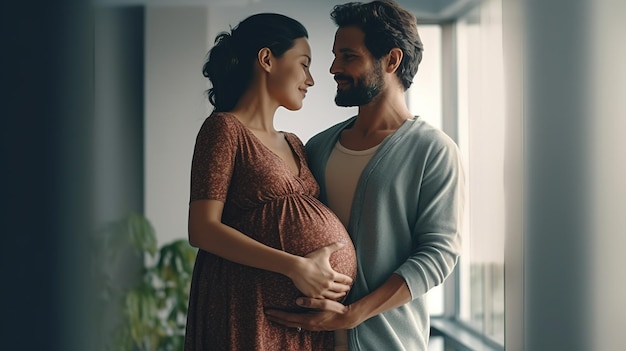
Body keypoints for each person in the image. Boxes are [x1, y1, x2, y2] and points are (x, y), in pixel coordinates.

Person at [265, 1, 465, 350]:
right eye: (334, 56)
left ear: (391, 60)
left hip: (386, 343)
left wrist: (352, 314)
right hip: (309, 341)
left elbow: (438, 254)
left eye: (348, 56)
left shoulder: (433, 150)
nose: (332, 68)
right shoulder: (318, 146)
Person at [184, 13, 357, 351]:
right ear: (266, 59)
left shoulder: (294, 142)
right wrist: (295, 267)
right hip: (247, 309)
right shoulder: (224, 129)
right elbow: (201, 229)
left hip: (304, 324)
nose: (310, 79)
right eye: (304, 64)